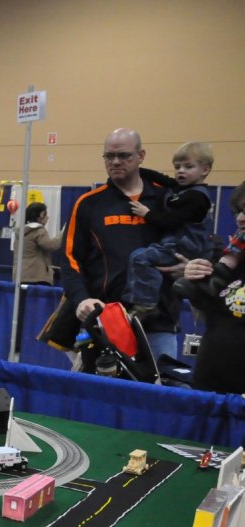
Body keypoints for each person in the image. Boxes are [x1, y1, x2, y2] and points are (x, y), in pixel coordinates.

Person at [60, 128, 178, 360]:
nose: (115, 162)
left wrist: (187, 266)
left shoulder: (169, 199)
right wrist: (82, 299)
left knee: (160, 394)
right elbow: (69, 258)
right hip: (106, 321)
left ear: (141, 156)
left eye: (124, 156)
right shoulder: (88, 204)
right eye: (109, 156)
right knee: (101, 393)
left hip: (159, 321)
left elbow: (195, 242)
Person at [124, 142, 214, 315]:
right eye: (177, 167)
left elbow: (171, 222)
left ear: (204, 170)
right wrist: (134, 169)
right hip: (173, 243)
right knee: (140, 258)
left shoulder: (196, 197)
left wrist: (147, 213)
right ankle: (145, 299)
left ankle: (146, 303)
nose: (181, 171)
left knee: (139, 258)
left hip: (182, 247)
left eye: (188, 167)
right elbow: (162, 178)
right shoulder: (181, 188)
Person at [176, 181, 245, 394]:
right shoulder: (232, 260)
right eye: (239, 211)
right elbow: (206, 307)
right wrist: (194, 277)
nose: (240, 218)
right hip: (210, 384)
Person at [19, 202, 62, 286]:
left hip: (21, 275)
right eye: (46, 215)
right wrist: (62, 234)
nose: (48, 217)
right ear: (41, 216)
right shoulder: (38, 230)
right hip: (37, 277)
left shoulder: (21, 231)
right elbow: (50, 245)